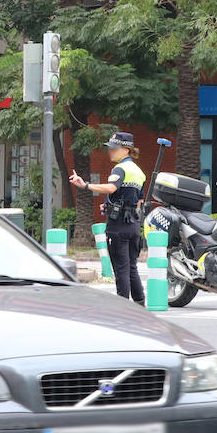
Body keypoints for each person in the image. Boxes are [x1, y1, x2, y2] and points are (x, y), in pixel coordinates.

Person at [69, 130, 145, 304]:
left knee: (121, 270)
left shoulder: (119, 169)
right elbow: (138, 201)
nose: (110, 151)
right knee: (132, 268)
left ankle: (123, 307)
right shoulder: (139, 172)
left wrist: (85, 185)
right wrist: (113, 205)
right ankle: (140, 304)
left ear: (126, 150)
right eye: (109, 148)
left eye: (114, 148)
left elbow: (111, 188)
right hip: (133, 225)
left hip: (117, 225)